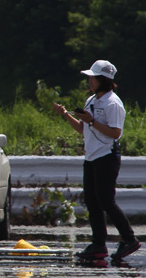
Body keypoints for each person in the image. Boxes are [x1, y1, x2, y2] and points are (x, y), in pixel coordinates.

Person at [53, 60, 140, 260]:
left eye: (93, 77)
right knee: (92, 202)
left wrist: (92, 120)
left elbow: (116, 133)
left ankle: (129, 238)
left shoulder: (113, 103)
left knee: (106, 201)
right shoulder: (92, 100)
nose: (89, 81)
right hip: (91, 157)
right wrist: (66, 115)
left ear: (103, 80)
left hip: (107, 156)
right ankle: (98, 244)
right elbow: (84, 129)